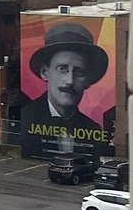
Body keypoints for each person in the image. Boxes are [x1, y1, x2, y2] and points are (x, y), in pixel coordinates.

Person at [20, 22, 110, 159]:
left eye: (78, 72)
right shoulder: (25, 119)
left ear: (88, 80)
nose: (70, 81)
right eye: (63, 69)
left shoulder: (93, 129)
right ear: (45, 72)